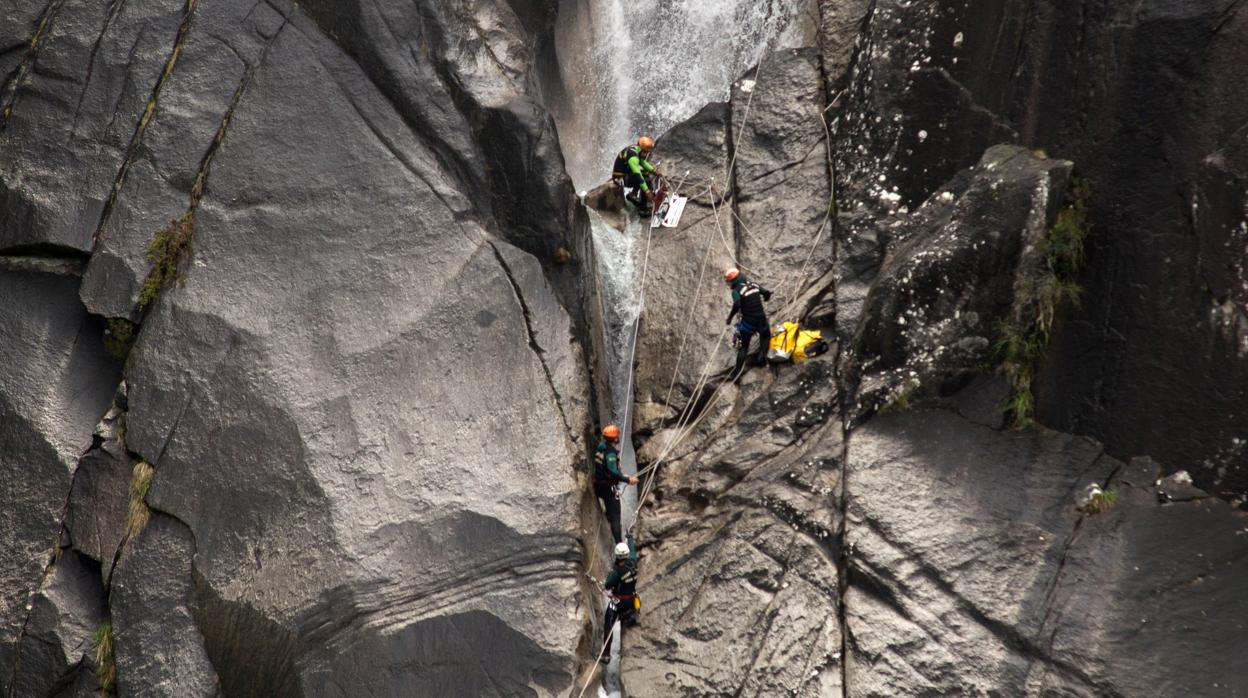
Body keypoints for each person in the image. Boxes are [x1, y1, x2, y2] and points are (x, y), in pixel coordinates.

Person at [724, 268, 773, 380]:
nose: (729, 284)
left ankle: (736, 374)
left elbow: (737, 304)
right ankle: (761, 357)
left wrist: (730, 318)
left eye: (730, 281)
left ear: (735, 280)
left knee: (744, 348)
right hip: (761, 320)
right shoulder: (754, 285)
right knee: (765, 336)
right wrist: (767, 297)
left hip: (748, 323)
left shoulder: (736, 291)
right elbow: (766, 292)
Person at [592, 424, 637, 543]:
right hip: (607, 488)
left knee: (611, 513)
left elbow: (609, 469)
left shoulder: (601, 447)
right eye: (618, 436)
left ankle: (607, 515)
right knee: (616, 518)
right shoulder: (610, 454)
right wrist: (628, 480)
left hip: (599, 485)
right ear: (615, 438)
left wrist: (622, 475)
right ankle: (619, 544)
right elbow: (612, 472)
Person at [601, 536, 639, 660]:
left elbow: (608, 585)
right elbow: (632, 551)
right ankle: (631, 614)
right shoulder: (632, 562)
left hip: (619, 602)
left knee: (609, 623)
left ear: (617, 556)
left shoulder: (617, 571)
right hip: (631, 600)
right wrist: (630, 539)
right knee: (630, 603)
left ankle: (606, 654)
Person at [612, 136, 660, 216]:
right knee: (645, 180)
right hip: (620, 179)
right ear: (643, 150)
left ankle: (633, 195)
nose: (647, 154)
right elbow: (638, 175)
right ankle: (643, 209)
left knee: (645, 174)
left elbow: (642, 162)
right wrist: (647, 191)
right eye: (646, 152)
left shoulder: (635, 149)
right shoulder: (633, 157)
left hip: (625, 174)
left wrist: (653, 170)